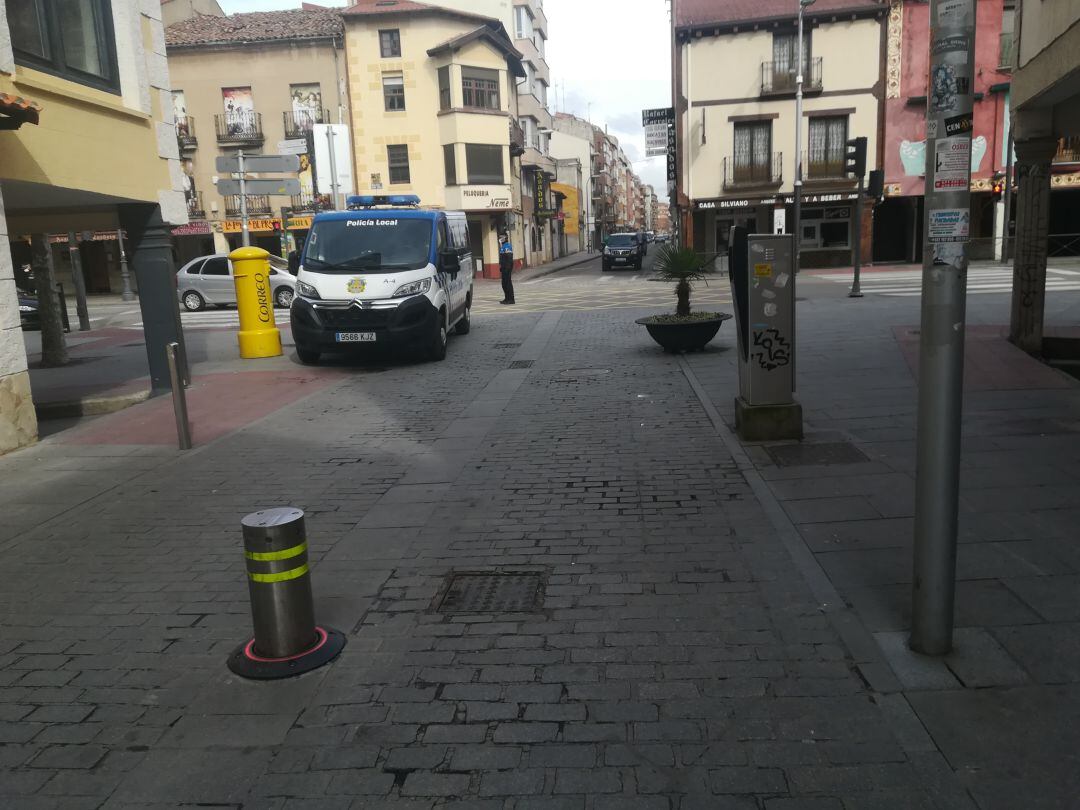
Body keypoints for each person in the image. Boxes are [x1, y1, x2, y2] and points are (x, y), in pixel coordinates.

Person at [498, 233, 515, 305]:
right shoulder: (502, 246)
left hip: (507, 267)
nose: (500, 239)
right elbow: (502, 257)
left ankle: (511, 299)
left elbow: (509, 257)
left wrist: (507, 268)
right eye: (499, 237)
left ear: (505, 238)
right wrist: (502, 267)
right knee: (504, 284)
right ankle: (506, 298)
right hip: (504, 267)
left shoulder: (507, 246)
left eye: (501, 237)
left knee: (508, 283)